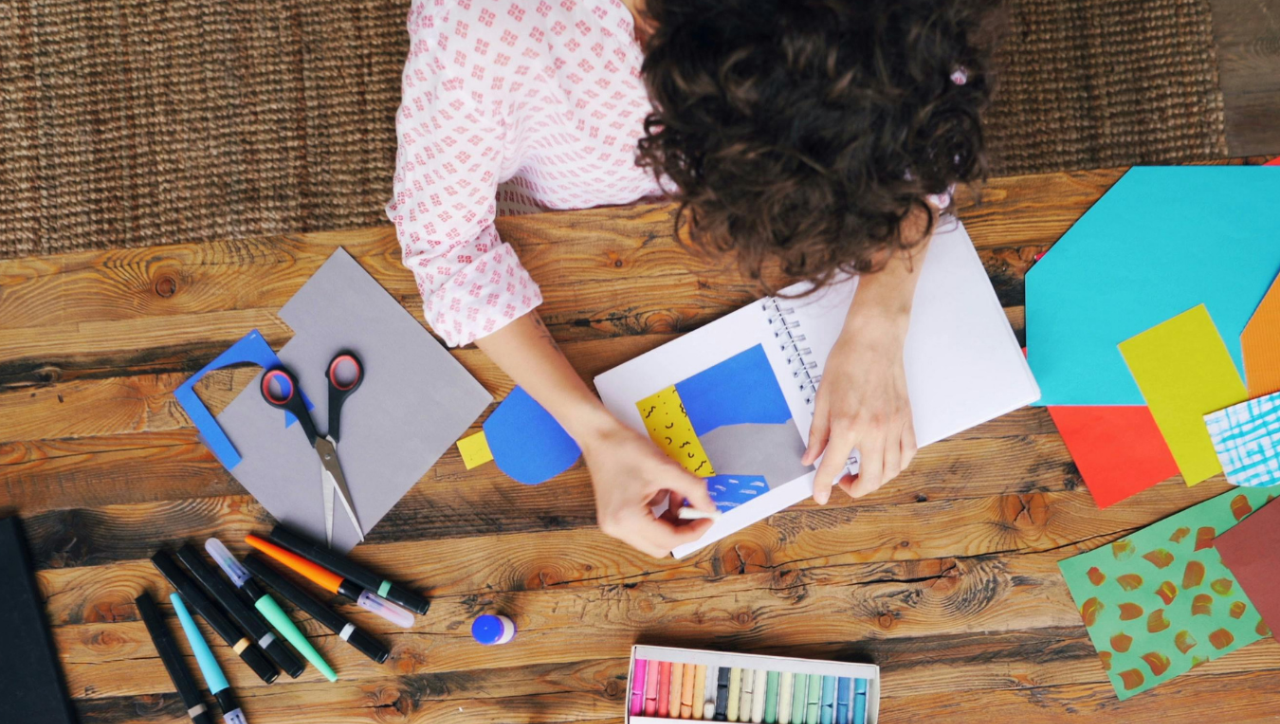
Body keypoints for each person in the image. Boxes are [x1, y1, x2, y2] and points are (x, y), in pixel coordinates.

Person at [387, 0, 995, 557]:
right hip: (572, 238)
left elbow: (926, 124)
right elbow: (448, 247)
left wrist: (880, 317)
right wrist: (597, 436)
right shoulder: (481, 26)